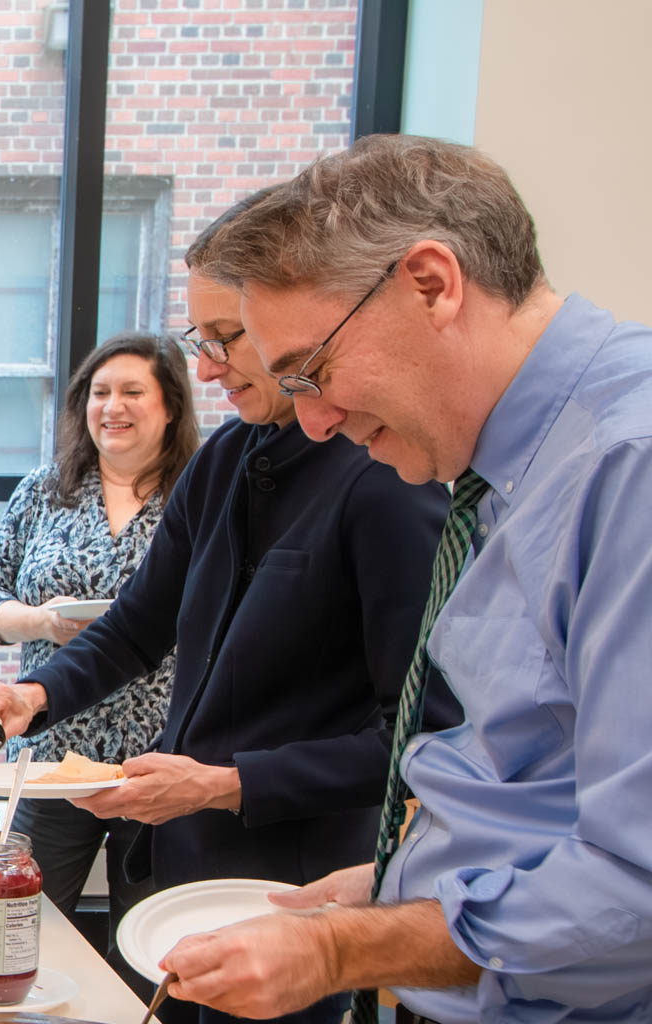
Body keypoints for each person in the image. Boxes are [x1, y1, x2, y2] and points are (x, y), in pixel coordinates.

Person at [0, 190, 460, 1024]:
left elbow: (415, 740)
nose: (206, 369)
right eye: (200, 341)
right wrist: (34, 696)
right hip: (184, 869)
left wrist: (222, 784)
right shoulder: (226, 459)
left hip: (296, 887)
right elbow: (137, 626)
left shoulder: (382, 480)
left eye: (226, 340)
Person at [157, 136, 652, 1024]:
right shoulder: (502, 472)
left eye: (312, 371)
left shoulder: (629, 469)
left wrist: (347, 948)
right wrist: (401, 883)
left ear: (432, 283)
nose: (311, 422)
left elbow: (637, 889)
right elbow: (533, 778)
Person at [0, 331, 197, 938]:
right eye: (99, 392)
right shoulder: (47, 489)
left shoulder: (198, 496)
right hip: (51, 752)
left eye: (131, 392)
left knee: (153, 939)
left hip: (161, 759)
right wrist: (42, 621)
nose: (112, 407)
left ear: (170, 406)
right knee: (19, 926)